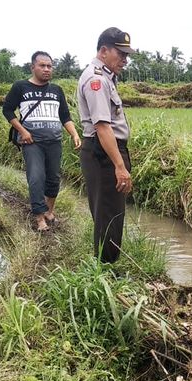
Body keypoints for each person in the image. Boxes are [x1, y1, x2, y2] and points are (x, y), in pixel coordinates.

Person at [2, 51, 81, 232]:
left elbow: (65, 116)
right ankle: (39, 219)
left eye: (49, 66)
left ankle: (49, 210)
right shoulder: (21, 87)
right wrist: (23, 131)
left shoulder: (56, 90)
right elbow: (7, 111)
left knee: (53, 178)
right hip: (32, 143)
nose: (46, 69)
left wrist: (74, 134)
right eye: (42, 66)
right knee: (36, 178)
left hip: (54, 141)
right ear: (33, 67)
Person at [77, 27, 134, 263]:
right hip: (104, 153)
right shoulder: (96, 80)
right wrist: (119, 166)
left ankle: (106, 266)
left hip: (105, 151)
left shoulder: (106, 77)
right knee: (108, 214)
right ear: (103, 51)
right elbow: (103, 127)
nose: (124, 60)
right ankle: (106, 271)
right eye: (120, 54)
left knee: (109, 212)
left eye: (126, 55)